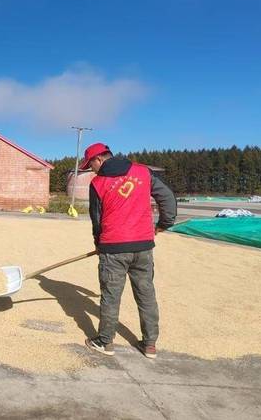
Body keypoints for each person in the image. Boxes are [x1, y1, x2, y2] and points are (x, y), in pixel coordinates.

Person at [82, 143, 176, 359]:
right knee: (146, 295)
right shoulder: (143, 172)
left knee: (111, 296)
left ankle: (105, 342)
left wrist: (99, 242)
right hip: (143, 247)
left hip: (113, 249)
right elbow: (168, 198)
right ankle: (150, 344)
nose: (92, 170)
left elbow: (96, 219)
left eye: (91, 165)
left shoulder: (98, 183)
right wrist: (164, 223)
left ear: (99, 159)